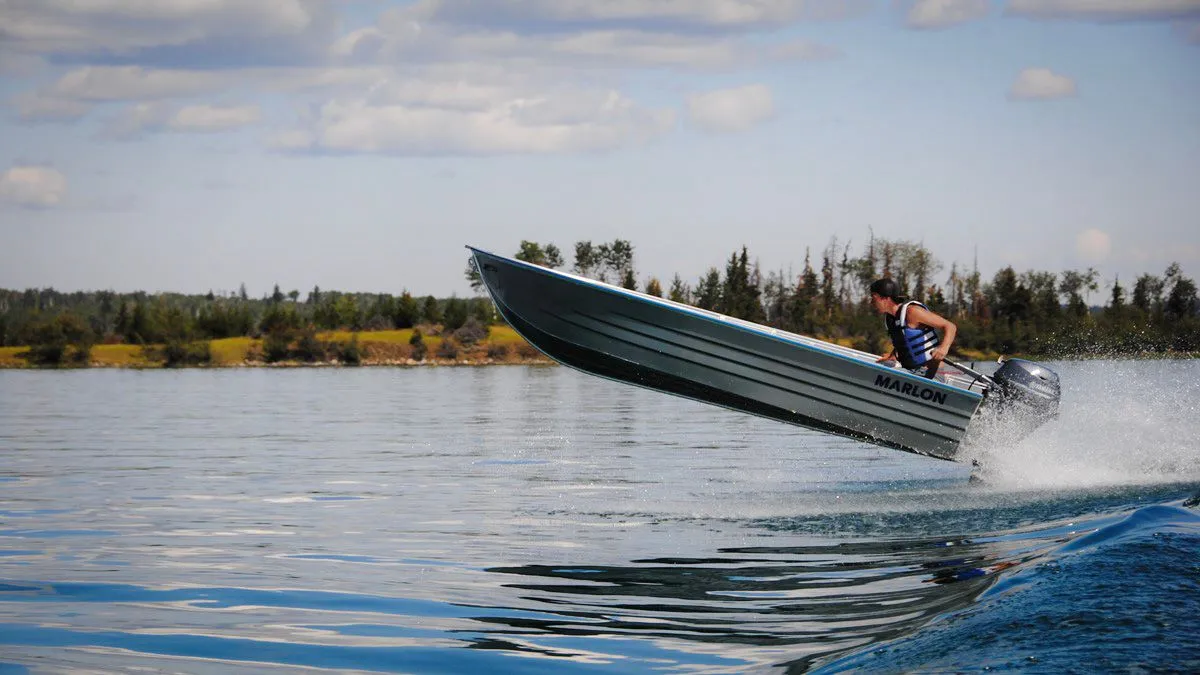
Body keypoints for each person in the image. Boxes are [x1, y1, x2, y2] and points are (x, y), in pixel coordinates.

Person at [869, 278, 956, 379]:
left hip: (931, 374)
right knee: (885, 366)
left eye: (873, 297)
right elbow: (904, 341)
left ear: (885, 298)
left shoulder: (912, 312)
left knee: (884, 374)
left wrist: (943, 348)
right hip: (911, 371)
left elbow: (950, 326)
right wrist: (892, 355)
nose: (871, 302)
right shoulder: (890, 319)